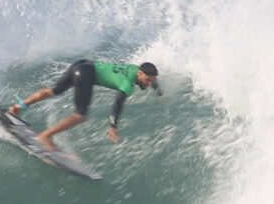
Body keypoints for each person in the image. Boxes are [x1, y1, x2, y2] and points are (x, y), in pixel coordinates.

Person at [9, 60, 161, 151]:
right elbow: (118, 103)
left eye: (151, 81)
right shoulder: (127, 85)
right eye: (147, 80)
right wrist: (113, 126)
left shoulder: (135, 69)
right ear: (140, 74)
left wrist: (160, 92)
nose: (148, 84)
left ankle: (17, 107)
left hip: (82, 64)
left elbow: (153, 80)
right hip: (86, 74)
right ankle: (45, 136)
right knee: (80, 115)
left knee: (55, 91)